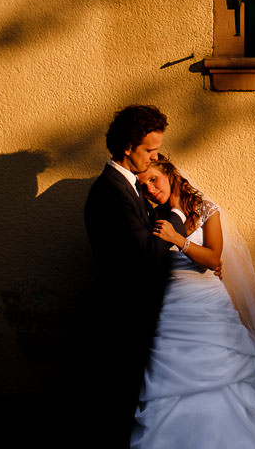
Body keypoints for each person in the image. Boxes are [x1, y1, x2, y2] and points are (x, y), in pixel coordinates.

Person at [131, 156, 255, 449]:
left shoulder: (204, 208)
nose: (149, 189)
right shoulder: (153, 217)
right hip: (171, 309)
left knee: (227, 379)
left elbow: (214, 258)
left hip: (208, 304)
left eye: (153, 180)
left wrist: (180, 240)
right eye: (142, 185)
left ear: (169, 173)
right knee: (169, 380)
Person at [83, 105, 187, 446]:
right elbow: (144, 253)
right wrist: (174, 214)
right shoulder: (110, 192)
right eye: (149, 150)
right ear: (128, 147)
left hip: (139, 312)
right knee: (123, 406)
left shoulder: (130, 188)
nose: (155, 156)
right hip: (125, 316)